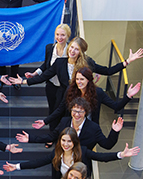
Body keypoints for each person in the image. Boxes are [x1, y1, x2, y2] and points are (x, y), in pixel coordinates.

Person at [9, 36, 143, 99]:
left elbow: (107, 71)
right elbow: (44, 76)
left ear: (81, 52)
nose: (72, 51)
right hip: (62, 98)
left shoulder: (87, 63)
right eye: (71, 47)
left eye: (76, 49)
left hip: (80, 99)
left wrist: (127, 61)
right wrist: (23, 81)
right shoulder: (60, 63)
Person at [4, 127, 139, 179]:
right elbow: (36, 163)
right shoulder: (56, 154)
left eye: (69, 141)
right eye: (63, 140)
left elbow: (101, 157)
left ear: (74, 142)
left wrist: (121, 154)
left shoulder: (83, 152)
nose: (66, 144)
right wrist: (16, 167)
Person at [32, 66, 141, 129]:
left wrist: (128, 96)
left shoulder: (98, 92)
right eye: (77, 79)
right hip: (72, 125)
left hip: (89, 126)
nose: (79, 82)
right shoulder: (70, 89)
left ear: (88, 80)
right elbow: (60, 109)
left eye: (82, 79)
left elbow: (116, 106)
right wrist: (45, 121)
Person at [16, 97, 123, 150]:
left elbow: (107, 145)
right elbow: (51, 136)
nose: (77, 114)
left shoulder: (93, 128)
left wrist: (114, 132)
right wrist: (31, 138)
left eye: (80, 111)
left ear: (85, 112)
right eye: (74, 110)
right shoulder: (64, 121)